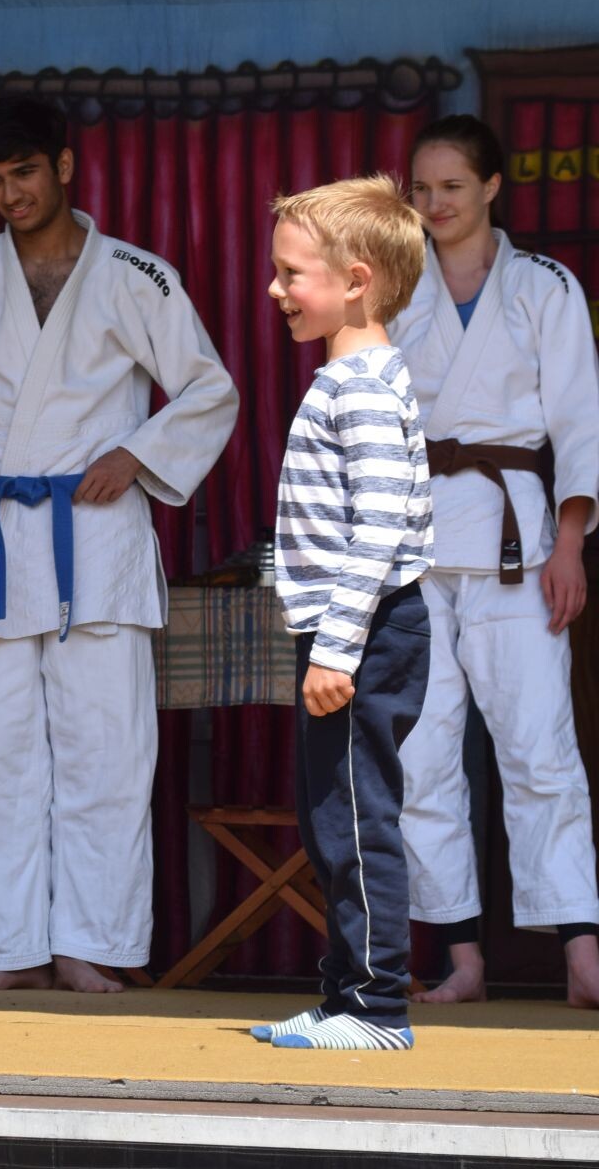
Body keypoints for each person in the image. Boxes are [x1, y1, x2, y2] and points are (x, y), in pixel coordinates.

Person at [0, 96, 237, 992]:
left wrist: (137, 452)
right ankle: (8, 950)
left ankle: (90, 945)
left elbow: (207, 390)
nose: (11, 194)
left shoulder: (138, 278)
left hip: (96, 537)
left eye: (26, 172)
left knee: (105, 751)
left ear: (65, 167)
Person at [392, 115, 599, 1008]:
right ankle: (463, 957)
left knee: (540, 746)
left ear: (491, 187)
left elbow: (580, 421)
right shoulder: (393, 283)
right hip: (414, 538)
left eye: (451, 186)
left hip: (517, 541)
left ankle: (581, 951)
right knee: (422, 752)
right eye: (421, 187)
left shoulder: (544, 286)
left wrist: (570, 541)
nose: (434, 202)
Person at [252, 175, 434, 1050]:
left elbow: (381, 525)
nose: (275, 289)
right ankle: (343, 997)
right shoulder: (351, 378)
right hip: (351, 631)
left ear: (357, 281)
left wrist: (336, 646)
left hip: (363, 631)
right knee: (334, 818)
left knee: (357, 820)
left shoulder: (358, 386)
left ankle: (377, 1007)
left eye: (293, 273)